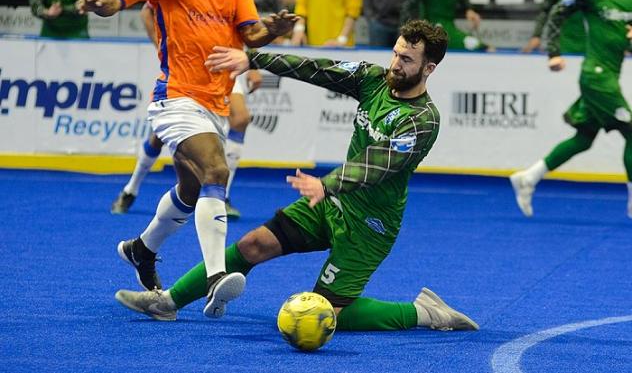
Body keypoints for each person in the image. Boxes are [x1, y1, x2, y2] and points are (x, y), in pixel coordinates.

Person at [114, 19, 480, 335]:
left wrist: (327, 183)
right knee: (252, 245)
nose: (395, 64)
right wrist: (253, 58)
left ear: (428, 68)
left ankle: (425, 313)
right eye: (396, 54)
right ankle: (167, 301)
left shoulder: (422, 120)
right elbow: (315, 68)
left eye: (406, 60)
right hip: (330, 202)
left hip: (370, 226)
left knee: (326, 313)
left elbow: (377, 164)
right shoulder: (373, 79)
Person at [76, 0, 298, 316]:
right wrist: (96, 2)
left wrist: (274, 28)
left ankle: (141, 248)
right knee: (217, 170)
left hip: (215, 101)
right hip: (175, 97)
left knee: (192, 189)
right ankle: (216, 277)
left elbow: (250, 33)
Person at [510, 0, 632, 218]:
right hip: (595, 77)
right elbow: (557, 11)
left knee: (585, 137)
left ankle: (529, 177)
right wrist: (552, 51)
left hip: (610, 74)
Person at [111, 2, 263, 219]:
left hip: (224, 66)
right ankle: (130, 189)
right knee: (159, 137)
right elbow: (147, 11)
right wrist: (161, 47)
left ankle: (223, 197)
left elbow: (249, 26)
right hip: (188, 68)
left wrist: (253, 64)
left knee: (241, 119)